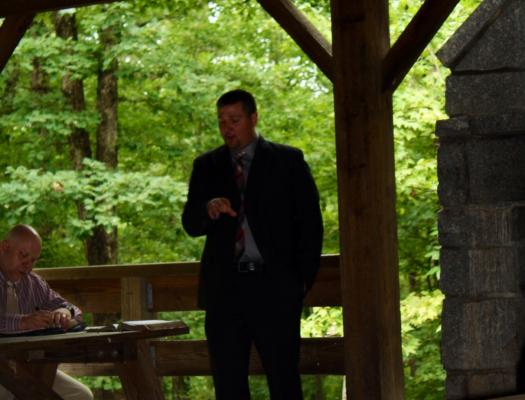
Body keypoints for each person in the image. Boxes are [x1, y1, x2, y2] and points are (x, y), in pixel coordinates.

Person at [182, 89, 323, 399]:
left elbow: (311, 225)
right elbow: (190, 223)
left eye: (234, 120)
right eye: (221, 121)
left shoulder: (287, 161)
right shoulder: (206, 166)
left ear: (253, 118)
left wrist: (299, 282)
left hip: (276, 289)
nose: (227, 128)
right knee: (228, 383)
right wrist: (208, 209)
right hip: (224, 291)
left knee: (284, 381)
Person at [0, 224, 93, 400]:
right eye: (23, 256)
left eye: (33, 260)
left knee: (80, 395)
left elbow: (72, 309)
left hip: (26, 367)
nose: (28, 266)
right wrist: (23, 322)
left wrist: (63, 312)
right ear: (4, 247)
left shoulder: (34, 283)